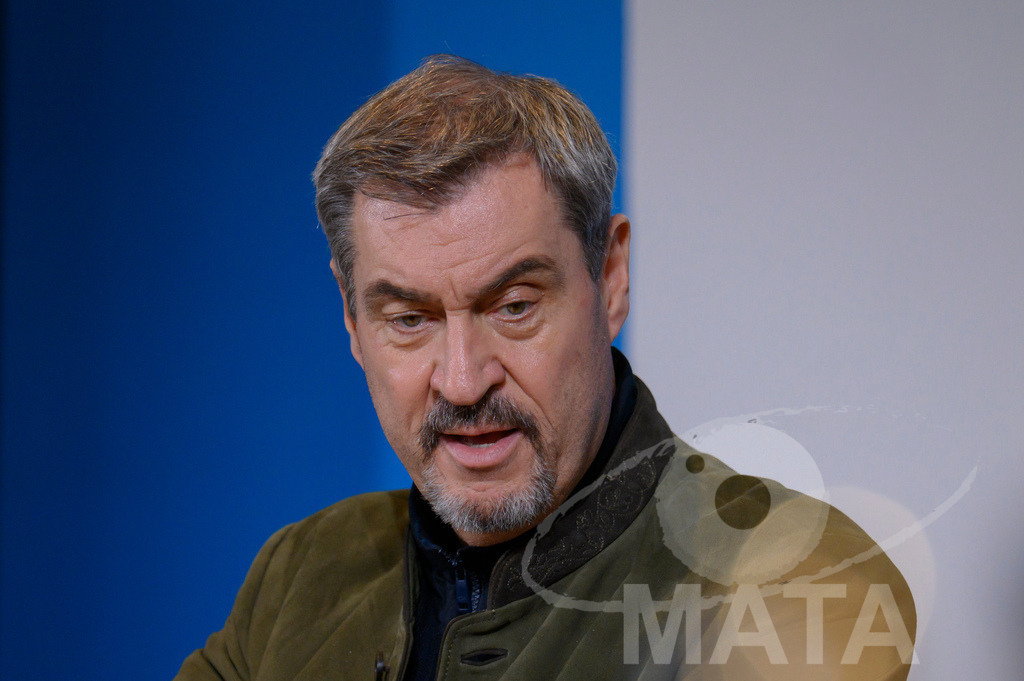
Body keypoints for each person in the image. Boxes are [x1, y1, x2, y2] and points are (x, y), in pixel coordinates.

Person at [176, 55, 915, 680]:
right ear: (351, 318)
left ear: (611, 275)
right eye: (409, 320)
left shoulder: (791, 572)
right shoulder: (300, 576)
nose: (463, 381)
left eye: (515, 305)